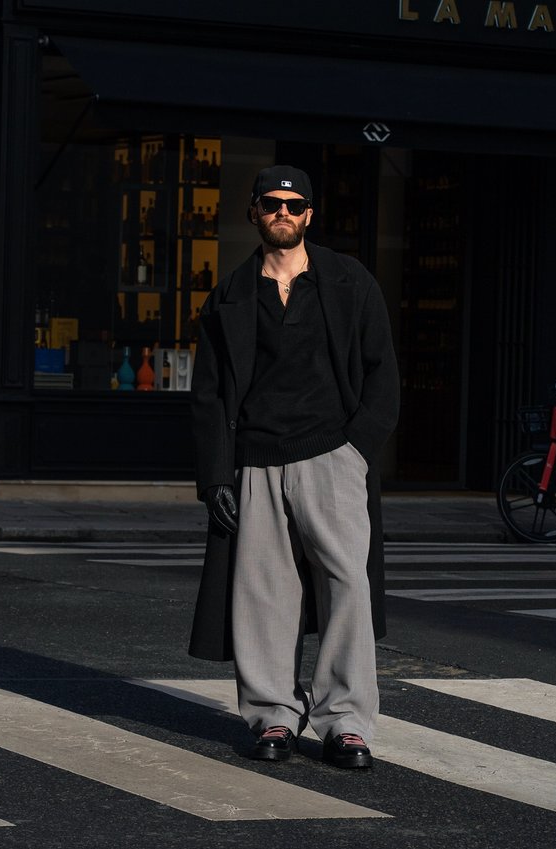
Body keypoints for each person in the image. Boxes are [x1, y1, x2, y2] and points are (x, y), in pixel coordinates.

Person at [189, 165, 399, 769]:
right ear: (253, 212)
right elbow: (208, 395)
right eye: (271, 203)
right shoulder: (230, 294)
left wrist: (356, 449)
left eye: (293, 203)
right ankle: (272, 715)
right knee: (263, 594)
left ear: (309, 214)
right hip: (256, 460)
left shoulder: (349, 281)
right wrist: (215, 476)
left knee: (347, 586)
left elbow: (383, 372)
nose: (282, 212)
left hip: (332, 456)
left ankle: (346, 722)